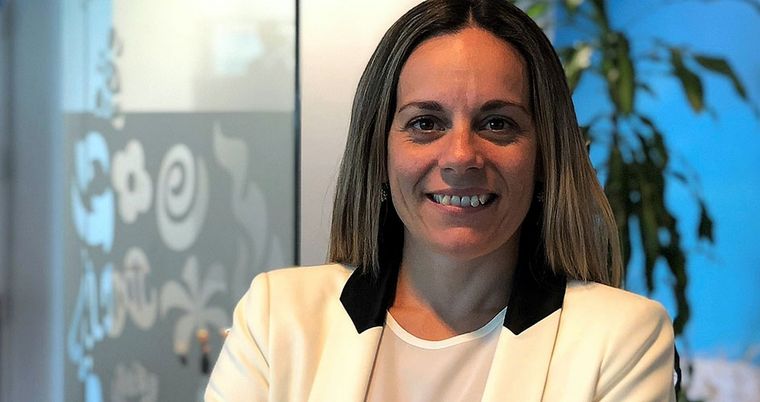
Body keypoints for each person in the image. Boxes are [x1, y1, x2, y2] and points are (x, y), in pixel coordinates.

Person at [206, 0, 677, 401]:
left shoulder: (621, 338)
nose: (460, 157)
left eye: (497, 124)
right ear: (379, 153)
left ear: (544, 155)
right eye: (425, 123)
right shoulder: (276, 318)